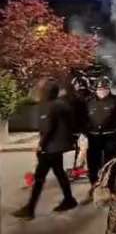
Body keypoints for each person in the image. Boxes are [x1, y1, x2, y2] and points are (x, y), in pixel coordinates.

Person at [12, 78, 78, 220]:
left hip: (49, 148)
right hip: (58, 147)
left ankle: (30, 209)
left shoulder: (49, 106)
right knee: (59, 173)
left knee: (39, 178)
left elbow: (48, 129)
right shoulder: (62, 104)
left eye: (41, 88)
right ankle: (69, 199)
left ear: (46, 91)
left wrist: (41, 145)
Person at [84, 78, 116, 204]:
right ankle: (94, 187)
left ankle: (111, 188)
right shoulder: (89, 101)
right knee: (93, 164)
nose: (102, 91)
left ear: (109, 88)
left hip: (110, 137)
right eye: (99, 89)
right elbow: (82, 118)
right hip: (94, 137)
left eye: (104, 88)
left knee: (110, 163)